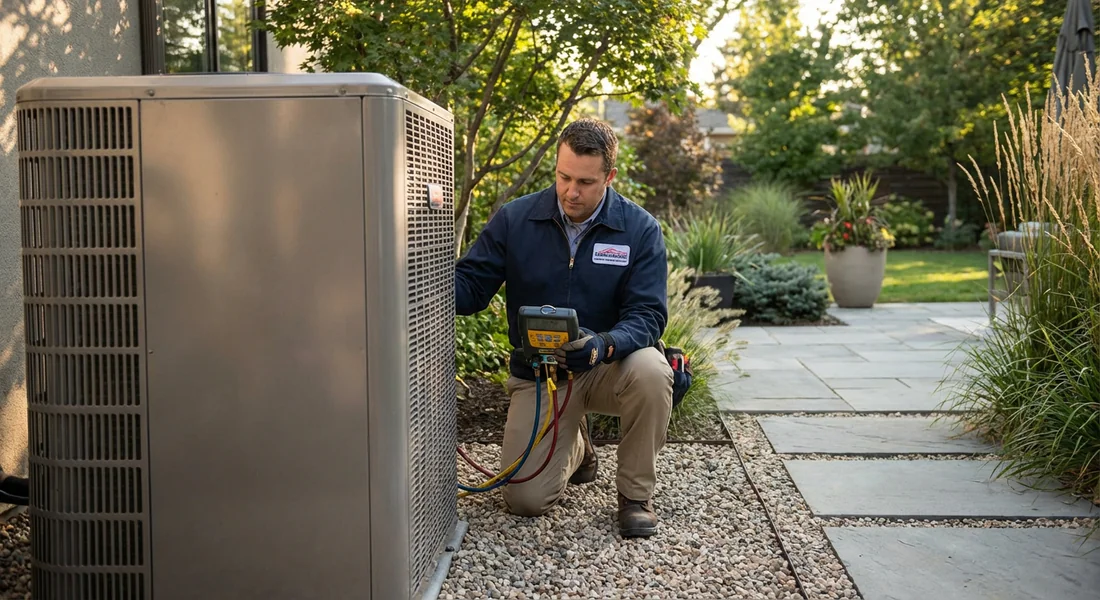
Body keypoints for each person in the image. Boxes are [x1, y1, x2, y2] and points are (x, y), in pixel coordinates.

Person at [455, 118, 674, 538]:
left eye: (586, 182)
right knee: (525, 501)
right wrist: (419, 277)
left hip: (610, 365)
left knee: (653, 371)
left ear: (610, 176)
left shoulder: (639, 229)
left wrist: (603, 345)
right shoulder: (515, 220)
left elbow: (648, 314)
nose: (571, 192)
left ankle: (634, 496)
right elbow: (471, 289)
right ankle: (578, 447)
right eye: (564, 176)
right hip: (542, 371)